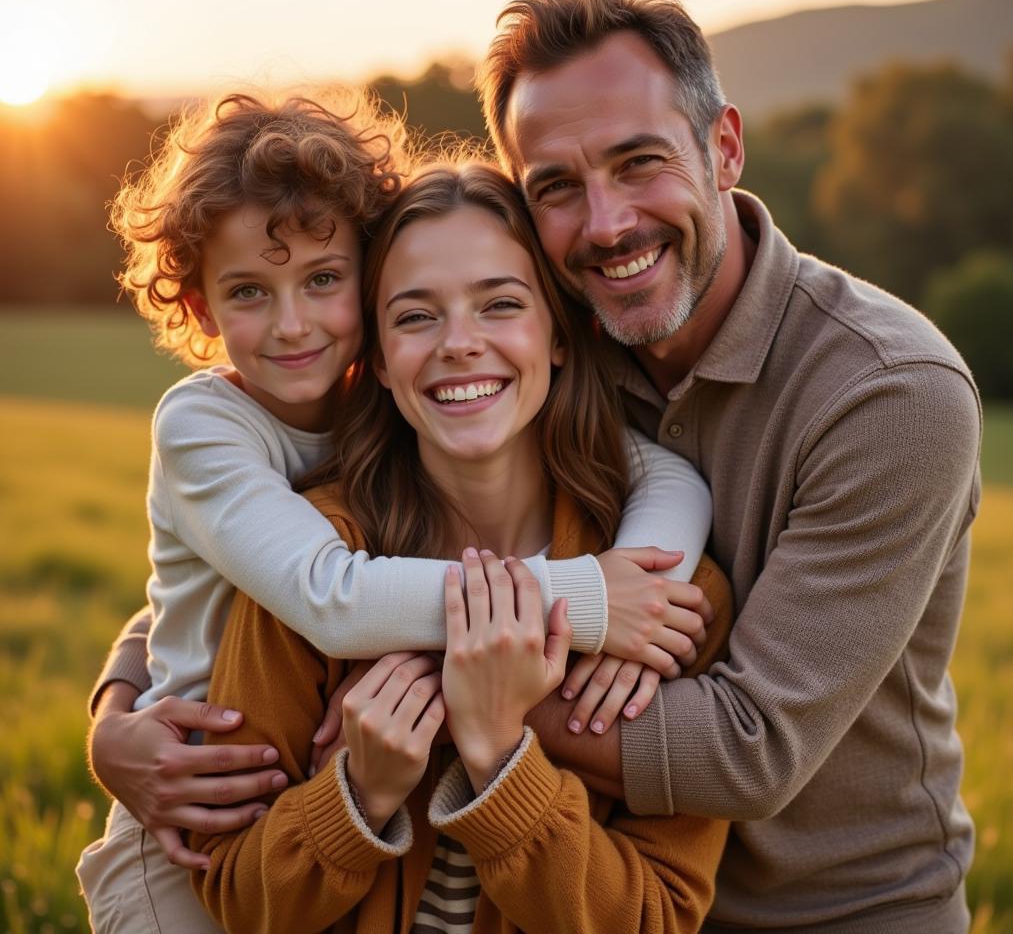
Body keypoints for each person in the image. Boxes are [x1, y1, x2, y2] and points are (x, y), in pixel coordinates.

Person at [78, 90, 716, 932]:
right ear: (382, 356)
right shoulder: (246, 473)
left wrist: (501, 745)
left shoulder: (664, 601)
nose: (457, 343)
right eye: (417, 315)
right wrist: (352, 793)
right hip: (180, 823)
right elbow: (316, 594)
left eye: (500, 303)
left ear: (559, 335)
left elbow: (668, 476)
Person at [464, 0, 981, 932]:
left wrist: (440, 686)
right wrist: (129, 696)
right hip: (600, 896)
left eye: (638, 163)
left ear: (725, 148)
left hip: (842, 914)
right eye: (558, 189)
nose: (608, 223)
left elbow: (747, 748)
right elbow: (318, 497)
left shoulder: (892, 390)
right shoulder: (530, 351)